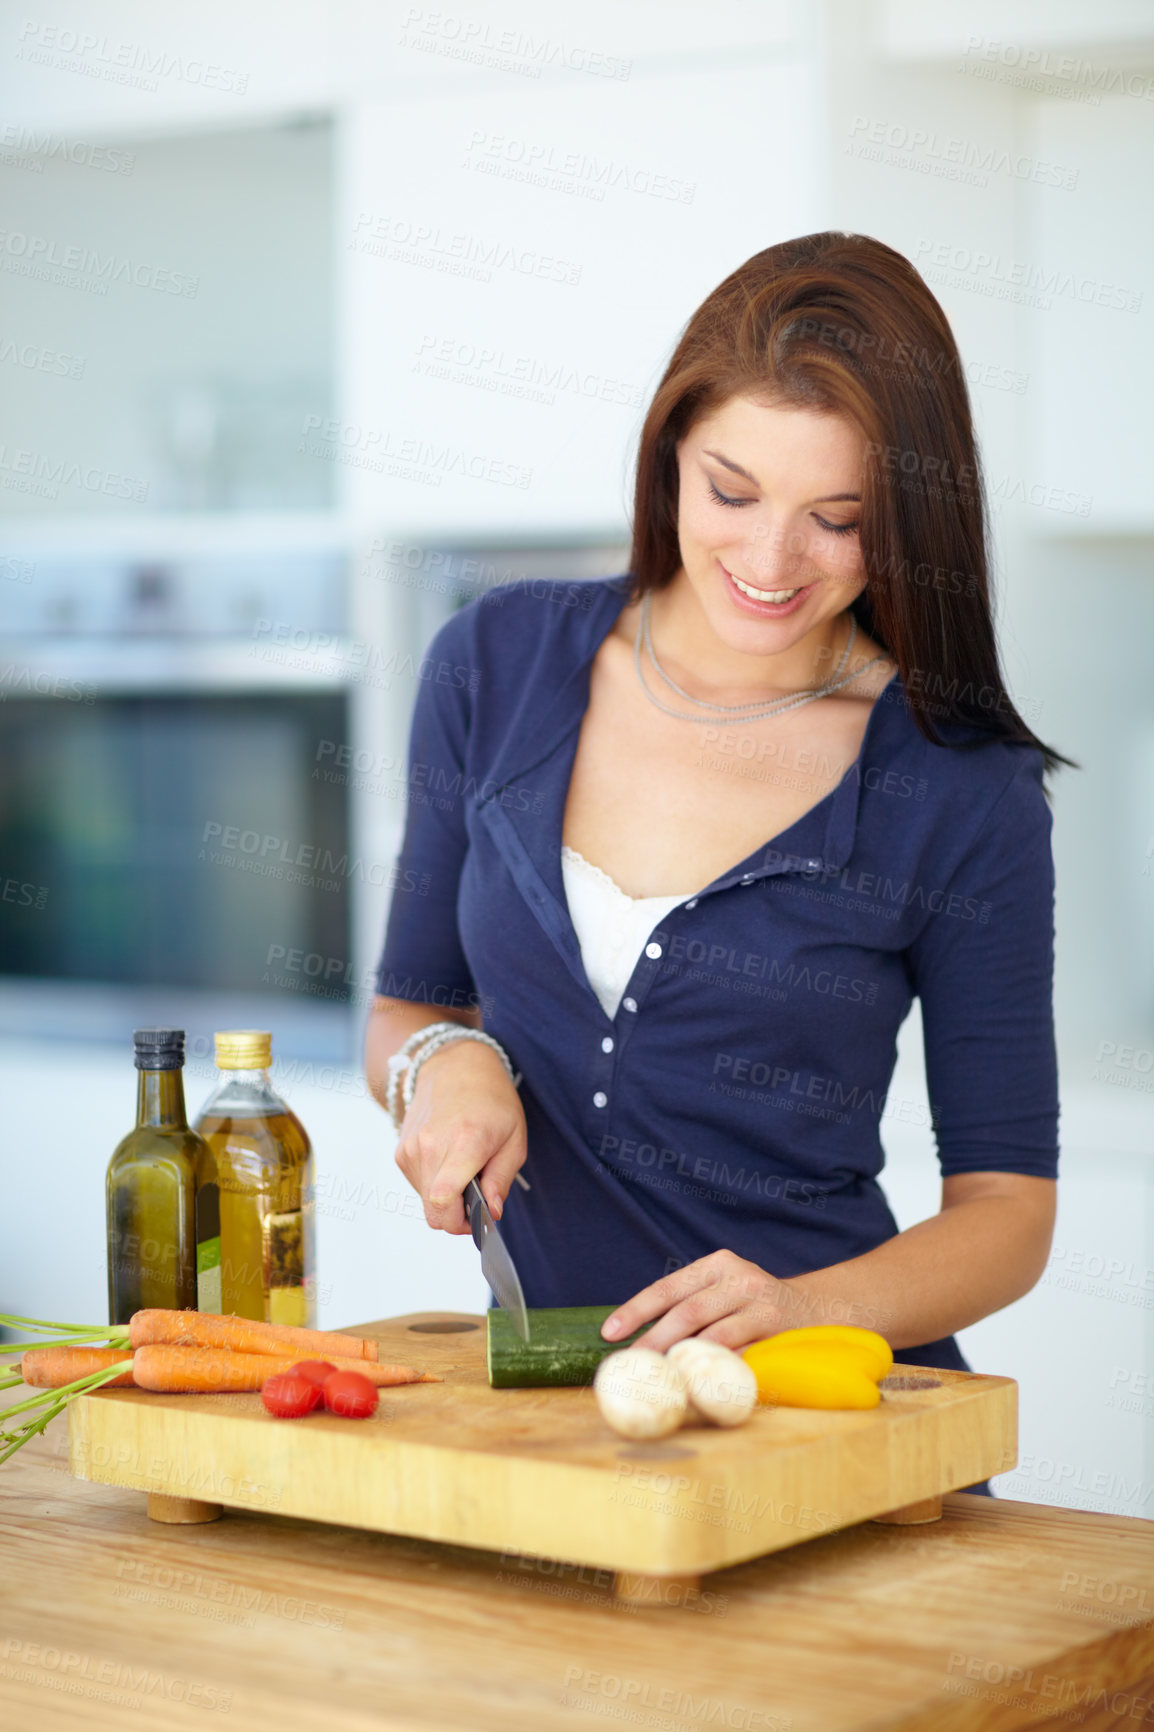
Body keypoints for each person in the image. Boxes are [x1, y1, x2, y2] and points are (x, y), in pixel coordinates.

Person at [364, 233, 1070, 1443]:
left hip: (816, 1422)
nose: (768, 560)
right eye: (730, 493)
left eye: (837, 518)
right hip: (553, 1415)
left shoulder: (959, 783)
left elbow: (1006, 1209)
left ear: (907, 517)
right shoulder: (494, 663)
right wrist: (446, 1064)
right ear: (668, 461)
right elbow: (405, 1013)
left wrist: (796, 1306)